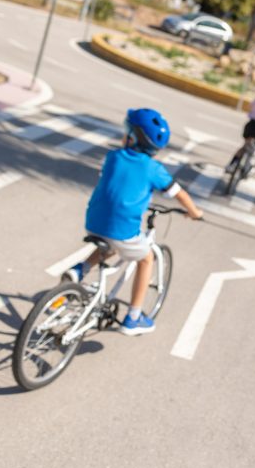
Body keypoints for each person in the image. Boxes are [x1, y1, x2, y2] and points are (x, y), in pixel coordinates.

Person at [65, 108, 203, 336]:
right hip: (122, 231)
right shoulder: (154, 169)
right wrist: (195, 212)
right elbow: (179, 194)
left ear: (132, 137)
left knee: (110, 245)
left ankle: (80, 269)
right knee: (146, 258)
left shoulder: (113, 157)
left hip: (93, 221)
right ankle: (133, 318)